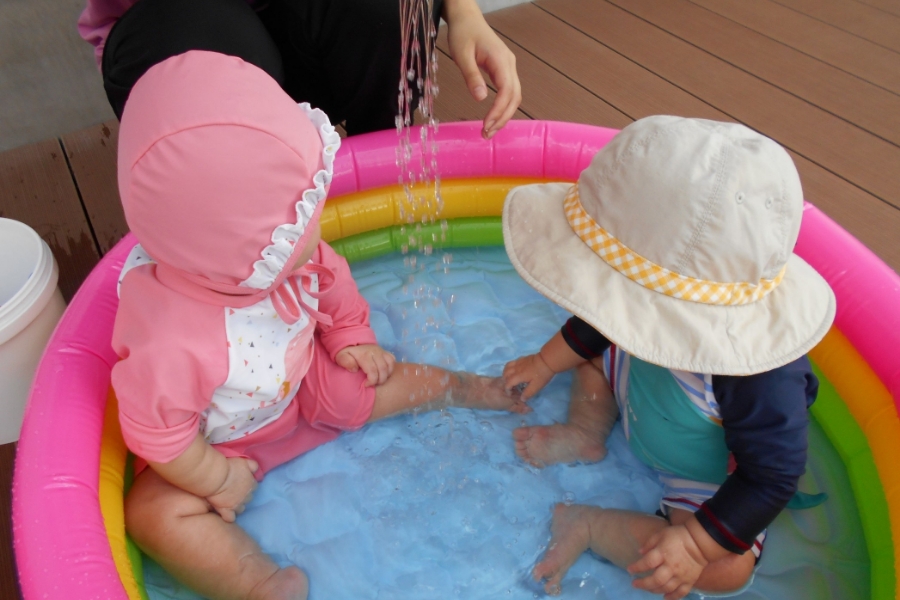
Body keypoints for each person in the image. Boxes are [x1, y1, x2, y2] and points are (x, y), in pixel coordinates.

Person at [112, 51, 526, 600]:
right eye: (302, 222)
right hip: (228, 445)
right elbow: (158, 436)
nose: (319, 223)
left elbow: (334, 284)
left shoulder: (289, 255)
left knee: (379, 378)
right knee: (152, 516)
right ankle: (256, 582)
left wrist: (350, 336)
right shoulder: (170, 340)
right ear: (248, 249)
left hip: (310, 383)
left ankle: (464, 387)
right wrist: (214, 478)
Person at [500, 116, 836, 599]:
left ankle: (589, 525)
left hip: (700, 472)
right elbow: (602, 319)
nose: (615, 303)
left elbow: (773, 473)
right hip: (635, 383)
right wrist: (546, 362)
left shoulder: (761, 373)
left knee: (728, 571)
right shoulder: (629, 308)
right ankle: (586, 430)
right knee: (592, 359)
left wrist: (696, 546)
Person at [78, 0, 521, 137]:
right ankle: (250, 217)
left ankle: (383, 163)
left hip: (302, 32)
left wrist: (464, 13)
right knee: (220, 49)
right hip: (177, 32)